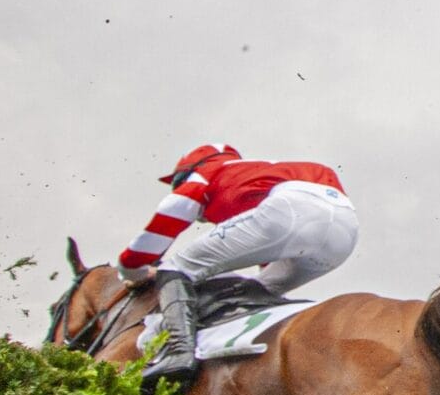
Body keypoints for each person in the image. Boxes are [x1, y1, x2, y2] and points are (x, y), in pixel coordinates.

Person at [118, 143, 359, 380]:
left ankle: (180, 352)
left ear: (189, 171)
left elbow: (173, 209)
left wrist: (133, 269)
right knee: (263, 286)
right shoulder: (254, 175)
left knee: (174, 268)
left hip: (291, 210)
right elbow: (267, 249)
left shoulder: (207, 172)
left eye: (176, 183)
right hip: (345, 230)